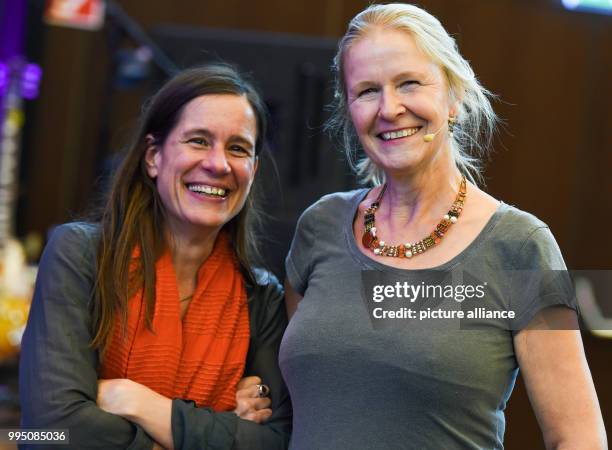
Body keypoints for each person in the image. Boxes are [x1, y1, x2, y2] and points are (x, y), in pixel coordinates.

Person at [279, 4, 607, 449]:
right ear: (349, 111)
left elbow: (579, 438)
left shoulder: (522, 246)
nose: (390, 108)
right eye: (367, 91)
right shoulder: (320, 226)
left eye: (409, 83)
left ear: (453, 97)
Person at [20, 64, 291, 449]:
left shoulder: (262, 298)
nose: (218, 164)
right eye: (198, 140)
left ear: (253, 170)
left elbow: (277, 442)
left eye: (237, 148)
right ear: (153, 157)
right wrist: (219, 425)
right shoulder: (79, 255)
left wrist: (136, 401)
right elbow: (47, 433)